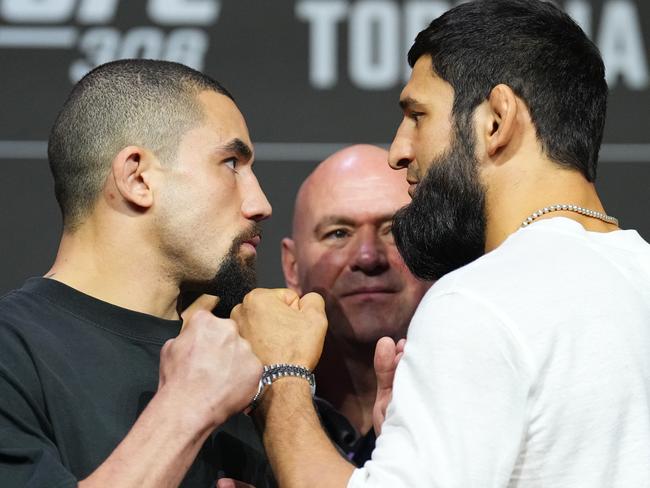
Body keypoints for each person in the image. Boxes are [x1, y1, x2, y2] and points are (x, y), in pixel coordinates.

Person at [232, 0, 650, 487]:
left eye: (417, 115)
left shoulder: (479, 300)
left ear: (496, 119)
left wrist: (281, 381)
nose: (399, 150)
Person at [0, 59, 276, 487]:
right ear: (137, 178)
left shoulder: (245, 359)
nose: (260, 203)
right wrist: (185, 408)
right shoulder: (11, 353)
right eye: (231, 163)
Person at [281, 144, 430, 464]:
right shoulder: (241, 419)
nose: (368, 257)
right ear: (292, 266)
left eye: (394, 230)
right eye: (338, 233)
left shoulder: (480, 407)